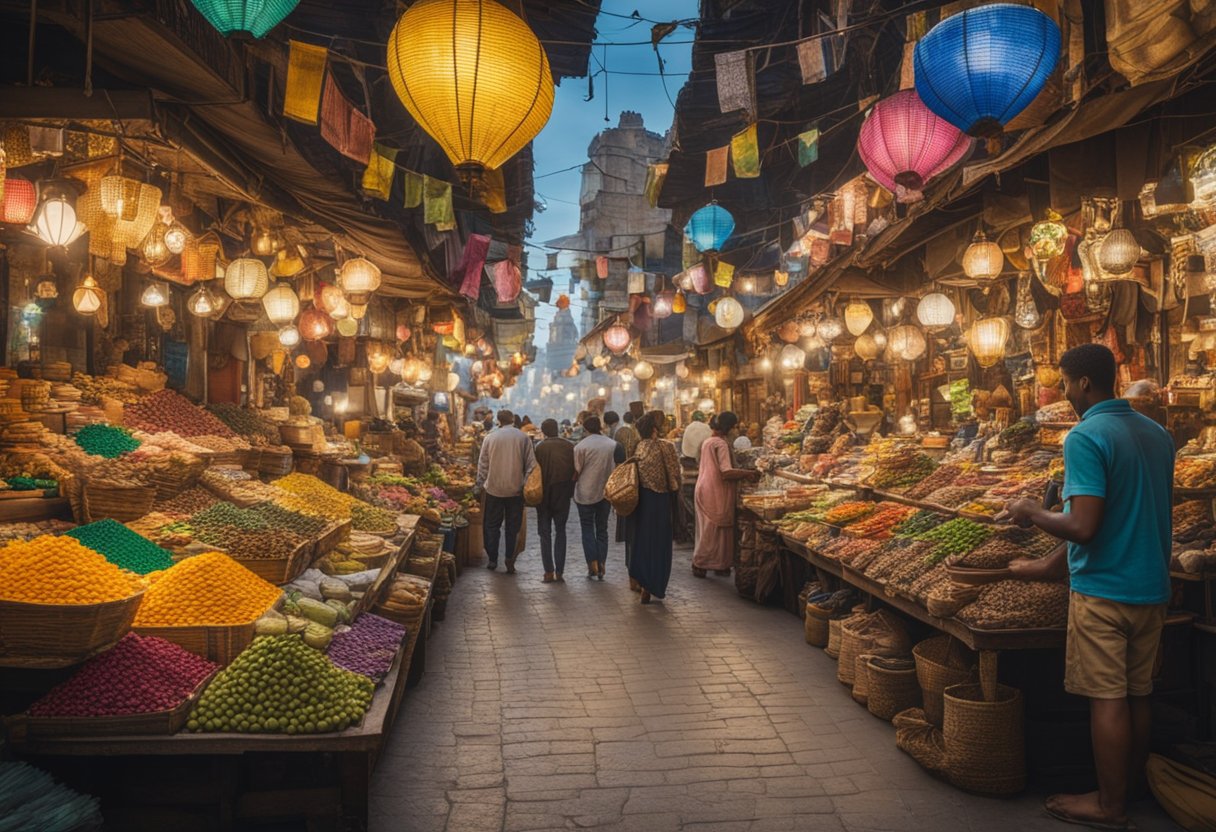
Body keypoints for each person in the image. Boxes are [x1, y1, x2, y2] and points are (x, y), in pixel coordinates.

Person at [998, 344, 1173, 832]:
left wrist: (1032, 512)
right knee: (1137, 694)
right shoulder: (1158, 434)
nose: (1062, 390)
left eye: (1064, 382)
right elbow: (1129, 514)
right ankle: (1128, 790)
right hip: (1151, 585)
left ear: (1083, 384)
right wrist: (1050, 564)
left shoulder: (1085, 435)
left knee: (1108, 699)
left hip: (1104, 590)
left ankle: (1109, 805)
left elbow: (1084, 525)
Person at [692, 412, 761, 578]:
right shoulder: (721, 444)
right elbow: (726, 471)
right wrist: (747, 473)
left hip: (703, 488)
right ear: (729, 428)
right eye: (734, 427)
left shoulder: (708, 441)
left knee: (707, 529)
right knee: (716, 529)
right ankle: (703, 563)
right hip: (716, 491)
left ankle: (717, 565)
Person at [627, 411, 682, 604]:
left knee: (642, 540)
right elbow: (675, 474)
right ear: (653, 429)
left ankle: (642, 581)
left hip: (641, 501)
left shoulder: (638, 447)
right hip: (660, 500)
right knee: (659, 542)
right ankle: (653, 584)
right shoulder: (665, 447)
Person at [476, 409, 536, 574]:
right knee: (512, 527)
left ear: (498, 421)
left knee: (491, 525)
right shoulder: (523, 437)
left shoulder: (490, 437)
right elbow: (531, 464)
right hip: (516, 490)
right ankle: (510, 558)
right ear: (512, 420)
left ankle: (493, 559)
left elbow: (483, 464)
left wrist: (480, 483)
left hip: (494, 489)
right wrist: (524, 483)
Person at [573, 416, 619, 580]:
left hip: (585, 493)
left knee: (587, 528)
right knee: (602, 529)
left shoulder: (580, 447)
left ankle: (591, 563)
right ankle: (602, 564)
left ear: (585, 428)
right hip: (605, 492)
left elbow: (576, 471)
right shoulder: (612, 445)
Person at [533, 418, 575, 583]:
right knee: (561, 531)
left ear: (543, 432)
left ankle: (548, 571)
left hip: (544, 495)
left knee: (545, 533)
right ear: (557, 429)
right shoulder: (569, 446)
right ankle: (560, 571)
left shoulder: (540, 447)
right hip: (562, 493)